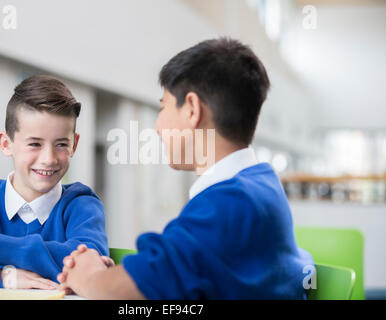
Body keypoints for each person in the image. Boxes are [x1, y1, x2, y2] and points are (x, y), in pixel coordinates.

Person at [58, 38, 314, 299]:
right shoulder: (261, 184)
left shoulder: (228, 203)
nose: (158, 127)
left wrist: (88, 276)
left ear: (192, 109)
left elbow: (127, 293)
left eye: (163, 106)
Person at [0, 75, 108, 289]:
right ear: (6, 144)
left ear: (75, 145)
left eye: (61, 144)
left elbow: (93, 267)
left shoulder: (81, 203)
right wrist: (2, 276)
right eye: (35, 144)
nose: (49, 159)